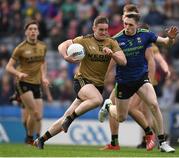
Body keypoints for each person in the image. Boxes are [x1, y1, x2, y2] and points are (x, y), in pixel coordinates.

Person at [33, 16, 127, 149]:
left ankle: (41, 140)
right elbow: (62, 45)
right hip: (82, 81)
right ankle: (70, 120)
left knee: (66, 115)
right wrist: (66, 56)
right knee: (97, 100)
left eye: (106, 30)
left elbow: (123, 61)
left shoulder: (111, 43)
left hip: (97, 85)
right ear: (94, 28)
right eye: (101, 30)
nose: (104, 32)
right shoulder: (84, 40)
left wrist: (112, 54)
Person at [98, 13, 178, 153]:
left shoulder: (145, 35)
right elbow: (111, 61)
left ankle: (163, 142)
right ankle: (109, 105)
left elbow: (166, 43)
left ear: (137, 25)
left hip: (141, 78)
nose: (127, 27)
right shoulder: (116, 39)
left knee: (154, 105)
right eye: (125, 24)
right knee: (121, 117)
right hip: (124, 82)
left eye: (130, 25)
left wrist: (170, 38)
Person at [6, 20, 49, 145]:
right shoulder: (20, 48)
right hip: (23, 82)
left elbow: (42, 63)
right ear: (26, 32)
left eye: (35, 29)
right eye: (30, 29)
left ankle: (33, 137)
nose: (33, 31)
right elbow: (8, 67)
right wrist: (19, 74)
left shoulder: (43, 47)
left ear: (38, 32)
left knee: (39, 116)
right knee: (34, 111)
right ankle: (31, 139)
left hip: (36, 84)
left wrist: (44, 77)